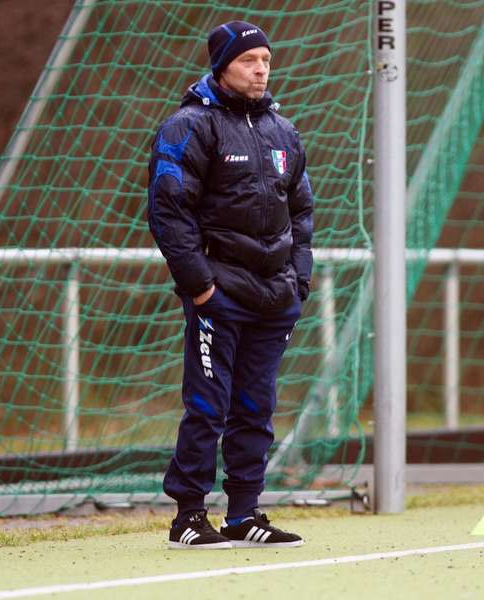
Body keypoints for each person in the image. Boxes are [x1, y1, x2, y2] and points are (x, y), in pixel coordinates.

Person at [147, 20, 314, 550]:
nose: (261, 68)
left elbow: (303, 212)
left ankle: (245, 514)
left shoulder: (283, 132)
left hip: (274, 300)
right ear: (222, 66)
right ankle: (189, 518)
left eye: (266, 59)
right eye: (248, 60)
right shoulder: (188, 126)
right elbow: (169, 213)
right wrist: (201, 288)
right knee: (208, 407)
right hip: (219, 297)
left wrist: (299, 283)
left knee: (256, 409)